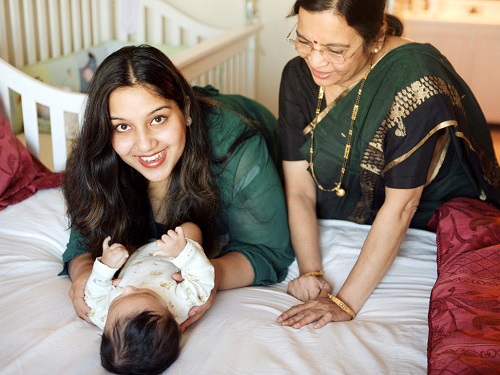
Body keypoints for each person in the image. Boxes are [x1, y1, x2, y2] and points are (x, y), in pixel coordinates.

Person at [277, 0, 500, 329]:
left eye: (336, 50)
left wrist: (344, 302)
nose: (316, 59)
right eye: (304, 40)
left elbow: (402, 206)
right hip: (341, 207)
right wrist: (310, 271)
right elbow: (298, 187)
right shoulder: (298, 75)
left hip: (422, 214)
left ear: (376, 37)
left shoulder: (414, 80)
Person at [60, 44, 294, 332]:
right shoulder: (96, 159)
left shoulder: (237, 149)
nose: (145, 144)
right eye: (122, 126)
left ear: (185, 111)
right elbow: (82, 242)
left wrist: (208, 277)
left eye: (158, 119)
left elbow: (267, 250)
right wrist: (84, 274)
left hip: (251, 122)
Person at [85, 222, 213, 374]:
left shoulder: (106, 319)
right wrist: (183, 253)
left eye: (117, 300)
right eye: (145, 294)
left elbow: (94, 295)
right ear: (170, 313)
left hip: (133, 254)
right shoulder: (182, 304)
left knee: (122, 238)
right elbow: (202, 278)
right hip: (171, 254)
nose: (128, 289)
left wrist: (105, 267)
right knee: (191, 229)